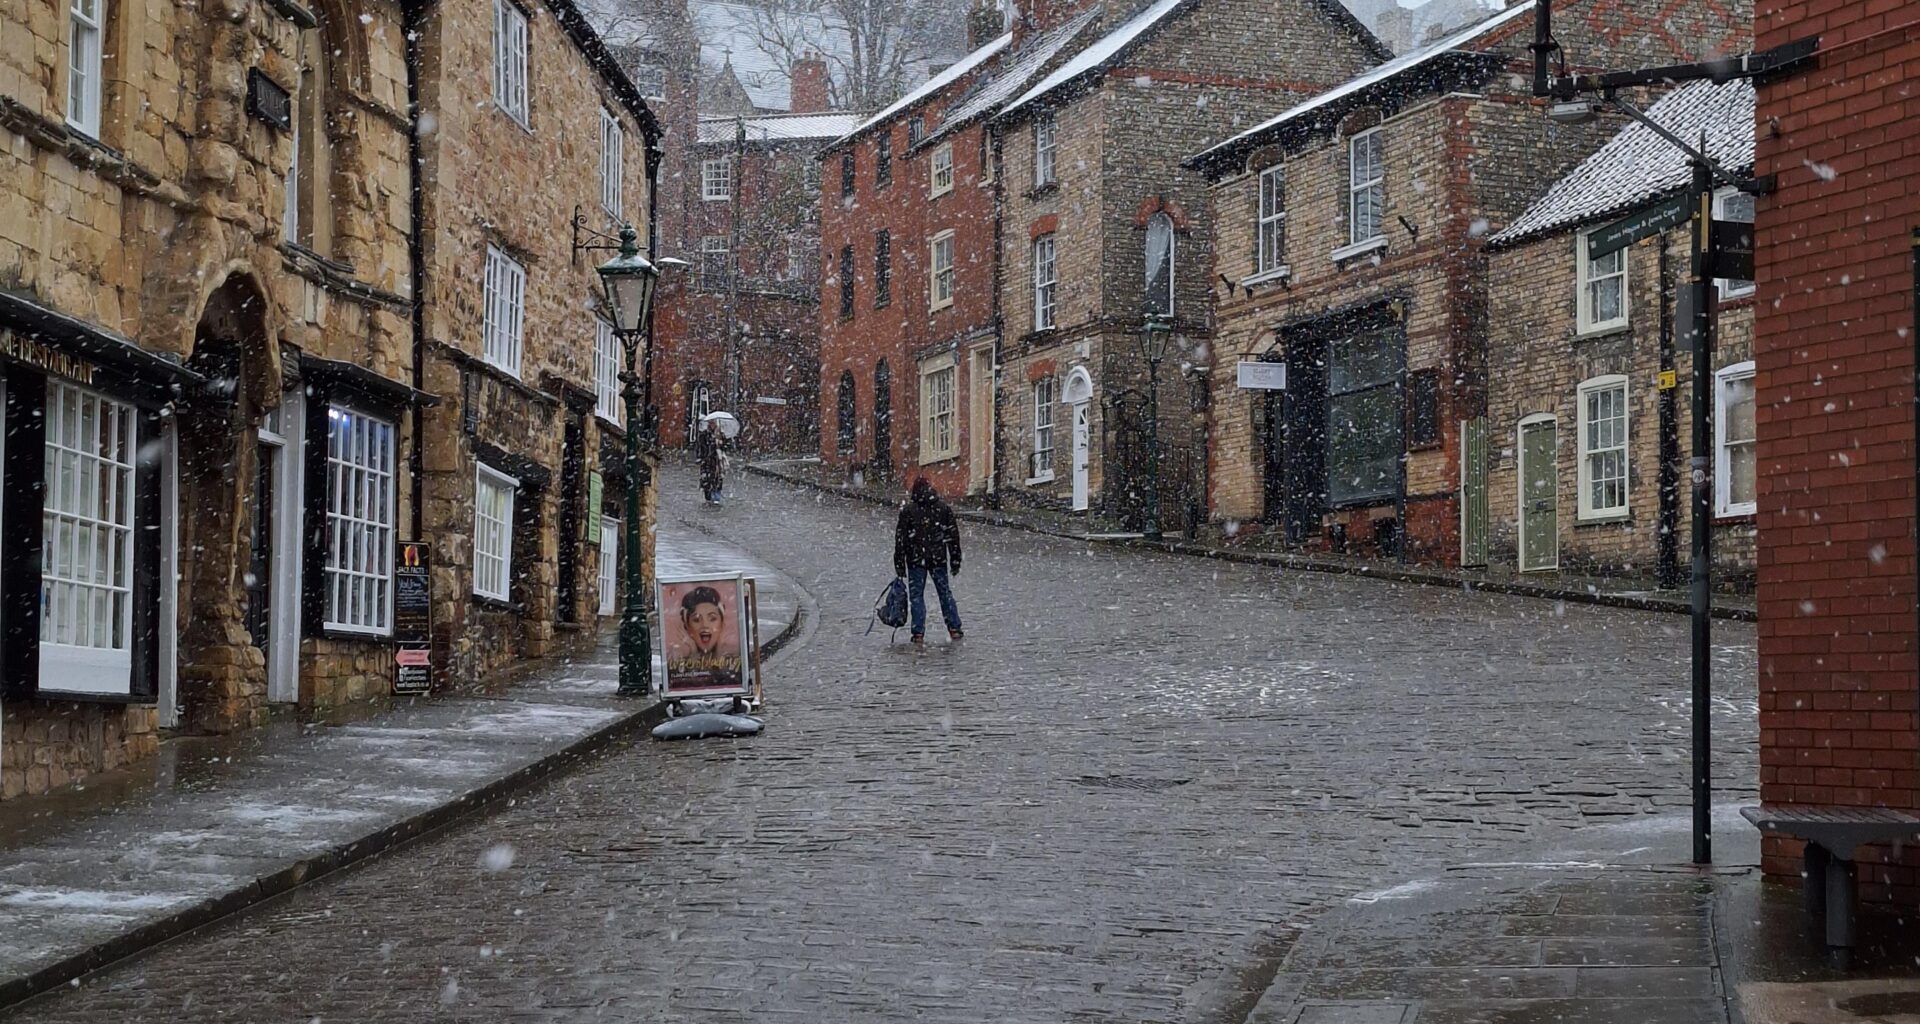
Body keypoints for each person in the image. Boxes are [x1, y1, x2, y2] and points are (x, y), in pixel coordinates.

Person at [893, 477, 963, 644]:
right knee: (945, 593)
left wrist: (899, 563)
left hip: (916, 559)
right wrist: (955, 559)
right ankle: (954, 627)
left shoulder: (909, 511)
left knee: (916, 596)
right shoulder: (943, 509)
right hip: (938, 558)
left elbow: (900, 539)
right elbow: (953, 537)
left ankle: (918, 632)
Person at [665, 585, 742, 688]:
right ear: (686, 626)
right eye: (696, 619)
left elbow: (730, 683)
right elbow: (683, 687)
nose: (705, 625)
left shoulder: (735, 658)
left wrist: (719, 651)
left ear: (722, 622)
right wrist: (693, 653)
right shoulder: (676, 663)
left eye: (712, 618)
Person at [696, 419, 723, 504]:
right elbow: (699, 447)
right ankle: (708, 496)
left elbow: (725, 447)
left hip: (717, 462)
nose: (712, 425)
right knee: (706, 479)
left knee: (717, 478)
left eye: (713, 423)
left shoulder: (720, 435)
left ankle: (716, 496)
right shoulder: (704, 434)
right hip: (706, 461)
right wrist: (700, 457)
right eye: (710, 423)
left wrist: (720, 443)